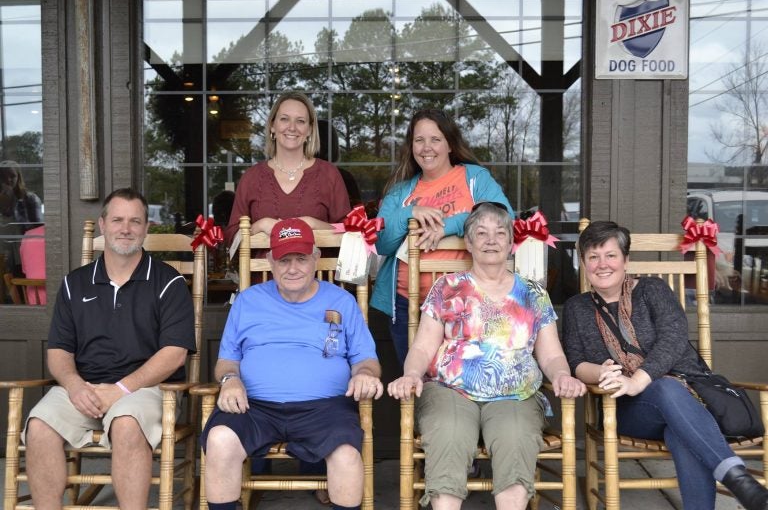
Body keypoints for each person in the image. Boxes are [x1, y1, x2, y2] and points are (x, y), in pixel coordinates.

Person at [388, 202, 586, 510]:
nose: (490, 240)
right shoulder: (447, 287)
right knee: (449, 433)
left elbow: (551, 354)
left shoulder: (533, 293)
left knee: (514, 436)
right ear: (469, 242)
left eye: (499, 233)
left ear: (510, 242)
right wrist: (412, 374)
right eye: (481, 233)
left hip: (515, 395)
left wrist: (561, 375)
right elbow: (423, 347)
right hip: (449, 390)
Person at [562, 220, 768, 510]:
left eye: (611, 255)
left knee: (678, 425)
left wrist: (638, 379)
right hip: (628, 410)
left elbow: (674, 339)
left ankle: (727, 484)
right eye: (593, 257)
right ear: (583, 263)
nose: (602, 264)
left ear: (626, 260)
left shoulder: (652, 290)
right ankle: (737, 477)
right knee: (663, 391)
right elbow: (576, 362)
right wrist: (600, 372)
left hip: (690, 397)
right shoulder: (577, 307)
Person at [21, 188, 196, 509]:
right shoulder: (75, 283)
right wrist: (73, 386)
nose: (125, 228)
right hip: (82, 387)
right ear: (102, 225)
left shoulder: (168, 283)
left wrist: (120, 389)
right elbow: (58, 352)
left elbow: (174, 353)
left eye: (134, 221)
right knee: (39, 426)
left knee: (127, 424)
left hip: (145, 389)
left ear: (146, 227)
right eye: (117, 220)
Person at [201, 218, 383, 510]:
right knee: (220, 439)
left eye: (301, 258)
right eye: (284, 260)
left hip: (325, 408)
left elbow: (367, 360)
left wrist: (364, 374)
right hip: (255, 406)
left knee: (347, 455)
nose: (293, 268)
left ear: (315, 258)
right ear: (271, 261)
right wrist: (229, 380)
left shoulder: (342, 301)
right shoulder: (248, 301)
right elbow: (226, 360)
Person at [371, 109, 513, 366]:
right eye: (419, 140)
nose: (427, 147)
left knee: (463, 378)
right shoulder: (401, 191)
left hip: (468, 302)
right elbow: (382, 243)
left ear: (449, 143)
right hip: (407, 304)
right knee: (416, 385)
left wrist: (448, 225)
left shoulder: (474, 178)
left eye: (435, 139)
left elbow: (503, 217)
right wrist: (410, 214)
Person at [223, 92, 351, 244]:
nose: (292, 127)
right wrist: (260, 225)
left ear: (309, 130)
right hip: (261, 268)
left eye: (300, 121)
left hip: (318, 268)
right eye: (284, 119)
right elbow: (231, 239)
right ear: (272, 125)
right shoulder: (251, 177)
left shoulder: (329, 174)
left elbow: (350, 234)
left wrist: (313, 224)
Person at [19, 223, 46, 305]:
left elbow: (24, 270)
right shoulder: (63, 234)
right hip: (62, 303)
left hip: (34, 304)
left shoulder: (28, 235)